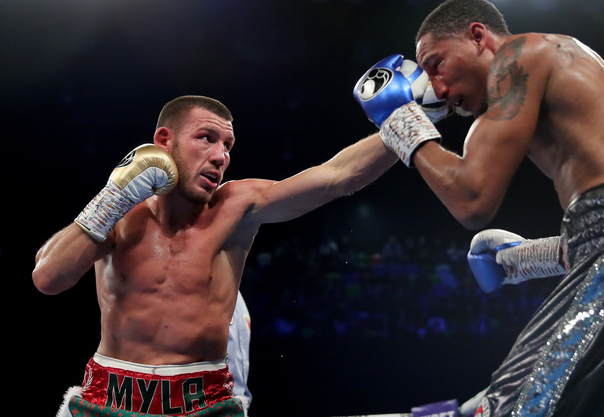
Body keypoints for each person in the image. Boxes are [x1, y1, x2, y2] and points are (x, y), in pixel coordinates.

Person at [353, 0, 604, 417]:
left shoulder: (519, 56)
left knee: (514, 407)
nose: (438, 90)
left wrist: (400, 120)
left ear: (478, 36)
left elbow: (472, 199)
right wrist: (527, 258)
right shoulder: (573, 66)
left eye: (436, 64)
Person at [34, 95, 398, 416]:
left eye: (228, 145)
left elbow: (338, 175)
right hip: (109, 399)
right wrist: (112, 199)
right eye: (206, 138)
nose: (220, 156)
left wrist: (403, 125)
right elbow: (49, 278)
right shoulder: (121, 216)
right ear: (165, 141)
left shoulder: (236, 207)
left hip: (204, 402)